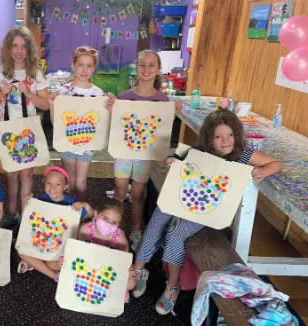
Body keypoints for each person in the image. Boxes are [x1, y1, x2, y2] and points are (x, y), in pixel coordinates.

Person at [132, 109, 283, 315]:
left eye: (230, 135)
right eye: (218, 136)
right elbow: (177, 158)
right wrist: (172, 162)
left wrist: (264, 170)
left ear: (237, 135)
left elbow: (276, 163)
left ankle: (173, 285)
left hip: (206, 210)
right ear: (209, 138)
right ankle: (138, 268)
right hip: (180, 199)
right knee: (158, 220)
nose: (225, 141)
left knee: (175, 233)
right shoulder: (200, 151)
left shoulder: (242, 153)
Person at [110, 50, 182, 251]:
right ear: (136, 67)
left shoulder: (163, 100)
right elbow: (116, 125)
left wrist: (173, 114)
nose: (146, 69)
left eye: (151, 65)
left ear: (158, 69)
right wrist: (111, 107)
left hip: (145, 155)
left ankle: (135, 229)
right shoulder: (124, 97)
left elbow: (162, 129)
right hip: (124, 152)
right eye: (142, 64)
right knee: (120, 191)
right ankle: (112, 227)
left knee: (139, 192)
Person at [0, 26, 50, 218]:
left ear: (29, 49)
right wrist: (1, 94)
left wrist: (28, 92)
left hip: (28, 130)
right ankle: (12, 213)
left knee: (27, 174)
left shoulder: (35, 73)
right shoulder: (2, 71)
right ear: (8, 48)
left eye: (23, 46)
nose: (18, 51)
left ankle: (25, 215)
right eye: (14, 46)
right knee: (11, 174)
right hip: (6, 129)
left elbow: (46, 104)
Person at [48, 45, 107, 201]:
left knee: (80, 182)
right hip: (67, 141)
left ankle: (81, 213)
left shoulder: (98, 93)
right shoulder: (63, 91)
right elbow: (57, 123)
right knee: (70, 180)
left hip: (87, 144)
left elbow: (102, 122)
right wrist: (52, 105)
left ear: (94, 68)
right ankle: (69, 212)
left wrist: (110, 106)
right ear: (73, 65)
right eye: (80, 65)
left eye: (89, 66)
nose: (84, 70)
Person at [17, 165, 92, 281]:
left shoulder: (72, 203)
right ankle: (53, 275)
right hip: (39, 242)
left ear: (65, 186)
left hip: (58, 248)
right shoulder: (40, 200)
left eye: (58, 184)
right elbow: (30, 222)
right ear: (44, 183)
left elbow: (91, 218)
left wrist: (85, 205)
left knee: (54, 263)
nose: (53, 188)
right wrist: (28, 203)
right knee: (21, 251)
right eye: (49, 184)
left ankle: (37, 265)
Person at [77, 198, 136, 302]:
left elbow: (123, 262)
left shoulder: (120, 239)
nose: (109, 225)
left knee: (131, 283)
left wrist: (128, 269)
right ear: (96, 214)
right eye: (105, 219)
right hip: (89, 265)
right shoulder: (85, 229)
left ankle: (116, 292)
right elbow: (77, 250)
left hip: (108, 269)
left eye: (114, 222)